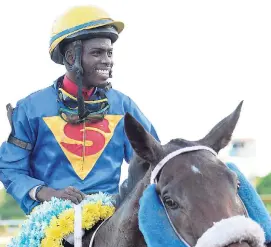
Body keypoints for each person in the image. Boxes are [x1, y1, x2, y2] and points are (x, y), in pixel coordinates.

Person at [0, 5, 159, 215]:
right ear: (71, 57)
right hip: (49, 218)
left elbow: (153, 160)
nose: (107, 60)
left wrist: (122, 197)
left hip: (112, 217)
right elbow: (10, 168)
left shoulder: (124, 106)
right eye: (97, 52)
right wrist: (47, 193)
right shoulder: (31, 109)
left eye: (109, 53)